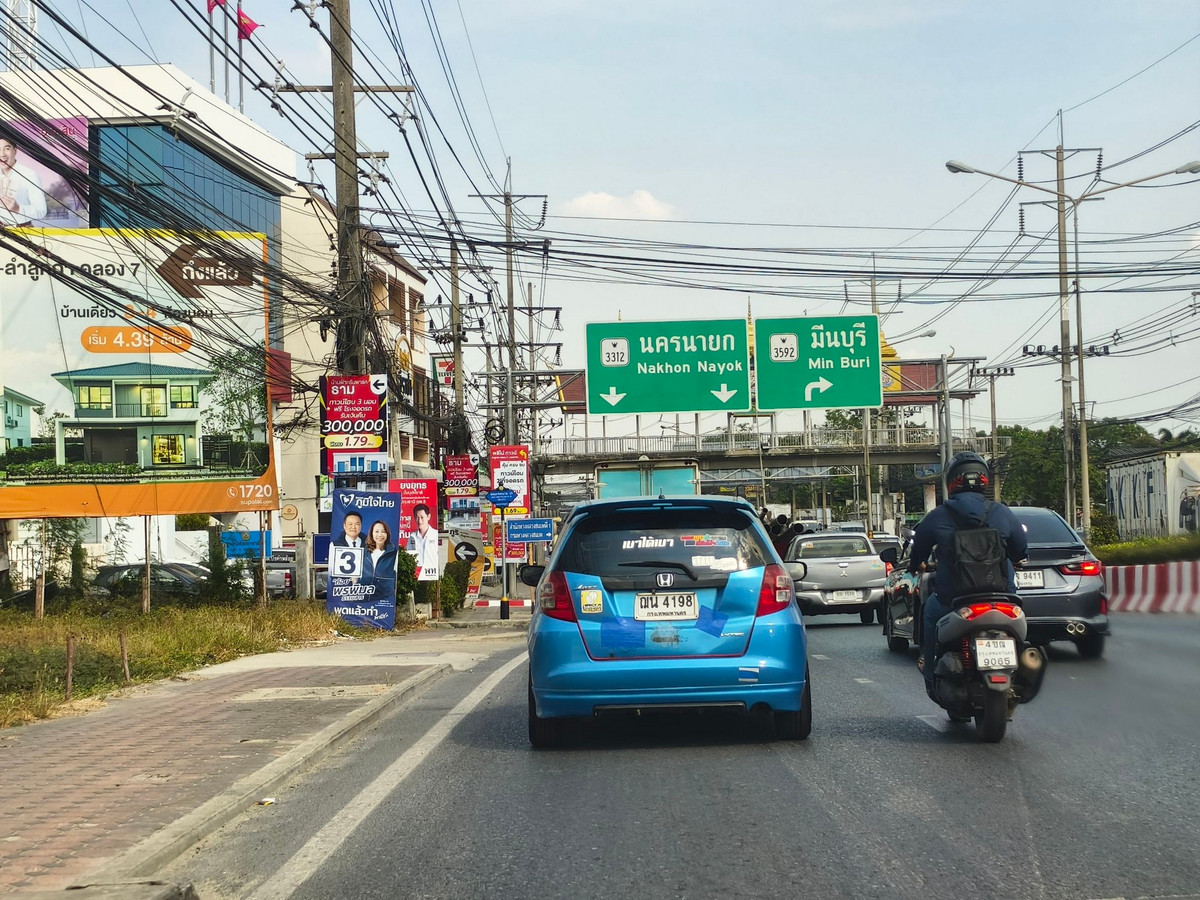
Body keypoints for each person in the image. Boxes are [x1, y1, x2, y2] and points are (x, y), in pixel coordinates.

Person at [894, 451, 1028, 699]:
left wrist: (916, 565)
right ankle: (1022, 665)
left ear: (951, 481)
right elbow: (1021, 549)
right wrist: (1016, 558)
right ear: (984, 479)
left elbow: (919, 549)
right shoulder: (1001, 511)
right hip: (1002, 595)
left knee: (930, 615)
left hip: (953, 598)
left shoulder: (939, 515)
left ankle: (931, 674)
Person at [0, 136, 48, 227]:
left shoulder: (29, 175)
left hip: (23, 230)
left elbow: (41, 210)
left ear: (15, 151)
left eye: (7, 148)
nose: (2, 154)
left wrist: (18, 209)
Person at [361, 519, 397, 597]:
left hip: (384, 597)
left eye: (383, 531)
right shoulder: (364, 552)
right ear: (372, 533)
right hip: (364, 596)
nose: (380, 535)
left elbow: (396, 577)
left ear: (387, 534)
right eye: (376, 531)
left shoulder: (393, 553)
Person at [407, 503, 439, 578]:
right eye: (417, 517)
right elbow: (409, 555)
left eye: (422, 517)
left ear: (428, 517)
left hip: (431, 574)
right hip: (416, 574)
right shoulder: (412, 536)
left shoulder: (435, 535)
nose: (419, 521)